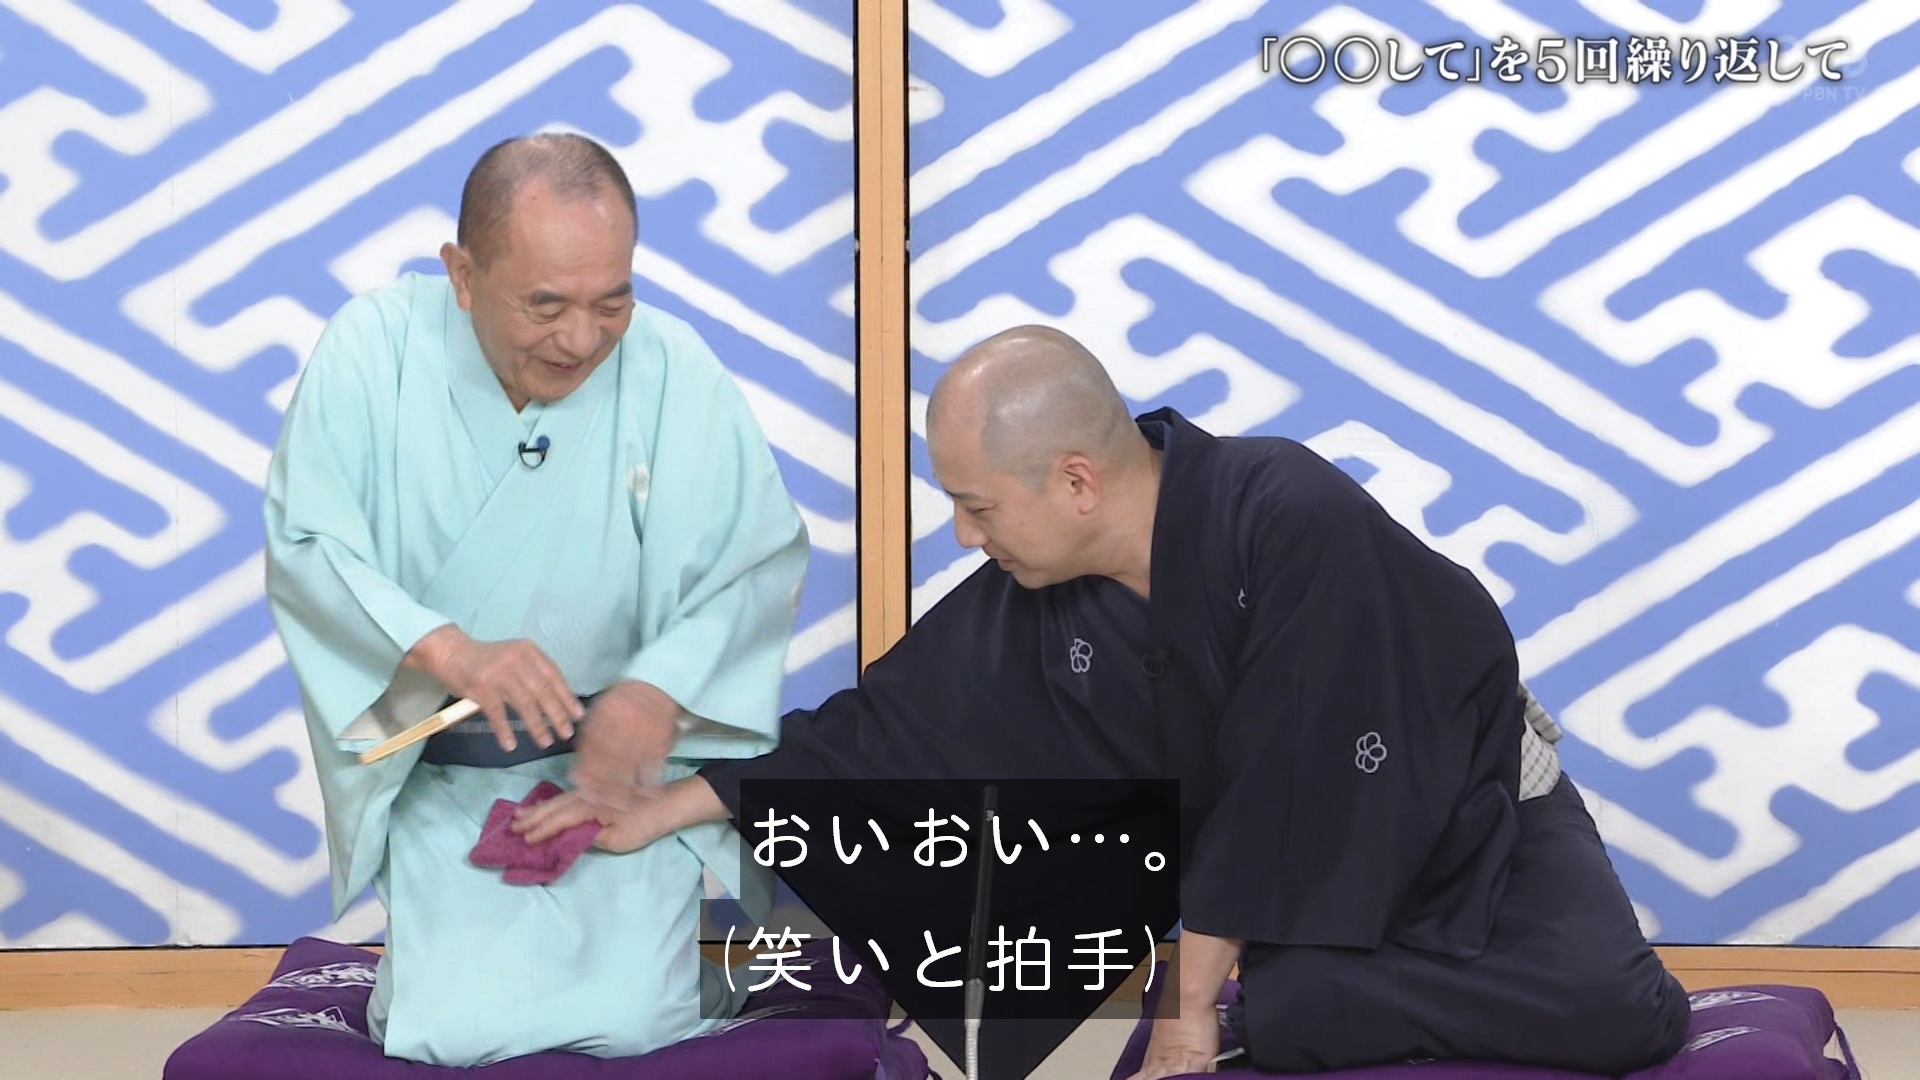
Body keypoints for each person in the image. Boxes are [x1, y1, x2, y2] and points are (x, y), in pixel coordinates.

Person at [518, 326, 1691, 1077]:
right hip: (1282, 885)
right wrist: (668, 805)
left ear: (1076, 480)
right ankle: (1281, 987)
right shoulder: (1044, 589)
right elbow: (886, 730)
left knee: (1620, 1009)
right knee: (1262, 993)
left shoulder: (1287, 512)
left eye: (978, 506)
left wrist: (1187, 1014)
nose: (964, 535)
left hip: (1467, 822)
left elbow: (1294, 768)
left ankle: (1272, 989)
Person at [263, 133, 809, 1066]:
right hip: (447, 774)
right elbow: (310, 544)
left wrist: (656, 691)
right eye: (546, 305)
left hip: (614, 782)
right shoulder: (371, 349)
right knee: (451, 1034)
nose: (581, 340)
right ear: (463, 275)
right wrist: (452, 651)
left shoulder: (674, 365)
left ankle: (670, 969)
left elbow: (753, 562)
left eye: (613, 303)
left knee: (636, 1026)